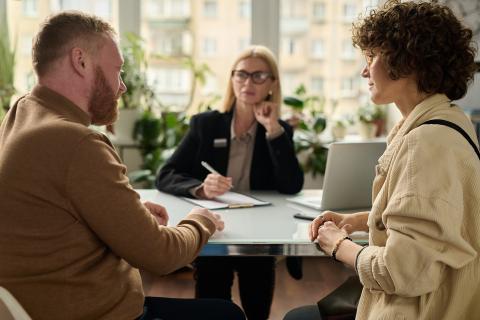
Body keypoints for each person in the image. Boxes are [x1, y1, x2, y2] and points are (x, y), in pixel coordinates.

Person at [0, 11, 246, 320]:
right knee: (227, 315)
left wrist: (128, 212)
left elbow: (50, 207)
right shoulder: (76, 142)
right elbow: (162, 255)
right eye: (118, 70)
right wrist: (201, 220)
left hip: (42, 302)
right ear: (81, 61)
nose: (122, 87)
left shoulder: (23, 111)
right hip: (94, 313)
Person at [284, 1, 480, 319]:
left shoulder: (425, 145)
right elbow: (429, 223)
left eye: (372, 57)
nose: (364, 71)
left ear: (408, 61)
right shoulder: (447, 121)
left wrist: (338, 245)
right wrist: (357, 221)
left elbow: (402, 272)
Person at [156, 45, 304, 319]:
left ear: (272, 83)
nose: (248, 82)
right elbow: (166, 174)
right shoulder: (206, 124)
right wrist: (200, 188)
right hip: (217, 225)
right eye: (242, 74)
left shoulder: (279, 129)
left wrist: (273, 130)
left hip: (260, 230)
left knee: (257, 301)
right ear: (232, 79)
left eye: (258, 76)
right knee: (213, 304)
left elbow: (291, 184)